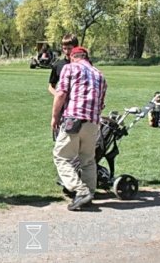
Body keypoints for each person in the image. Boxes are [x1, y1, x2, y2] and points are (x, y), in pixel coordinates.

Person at [51, 46, 107, 211]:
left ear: (73, 56)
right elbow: (101, 104)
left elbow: (61, 94)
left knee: (61, 156)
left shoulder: (70, 68)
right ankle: (89, 193)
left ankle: (80, 191)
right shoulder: (99, 75)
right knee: (88, 160)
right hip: (93, 122)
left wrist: (54, 117)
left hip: (73, 119)